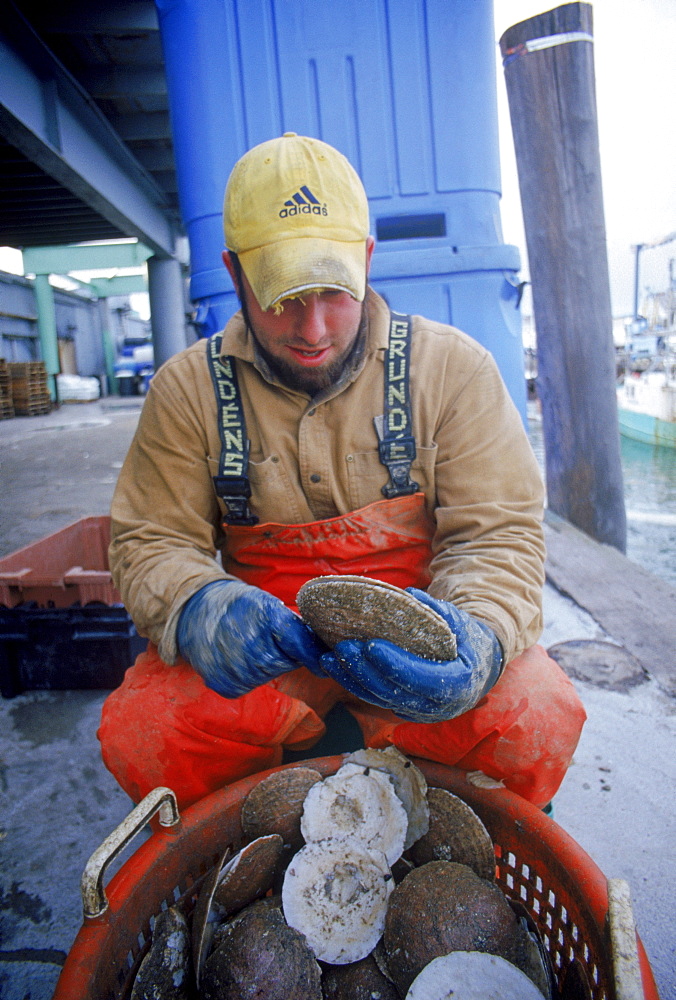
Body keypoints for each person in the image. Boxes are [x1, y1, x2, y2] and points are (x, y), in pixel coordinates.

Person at [99, 132, 585, 811]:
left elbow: (498, 537)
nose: (314, 328)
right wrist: (198, 608)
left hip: (413, 656)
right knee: (146, 728)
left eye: (335, 290)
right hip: (269, 662)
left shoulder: (455, 371)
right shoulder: (186, 392)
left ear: (367, 258)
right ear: (234, 273)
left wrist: (475, 638)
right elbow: (150, 542)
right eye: (283, 296)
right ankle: (243, 858)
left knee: (534, 712)